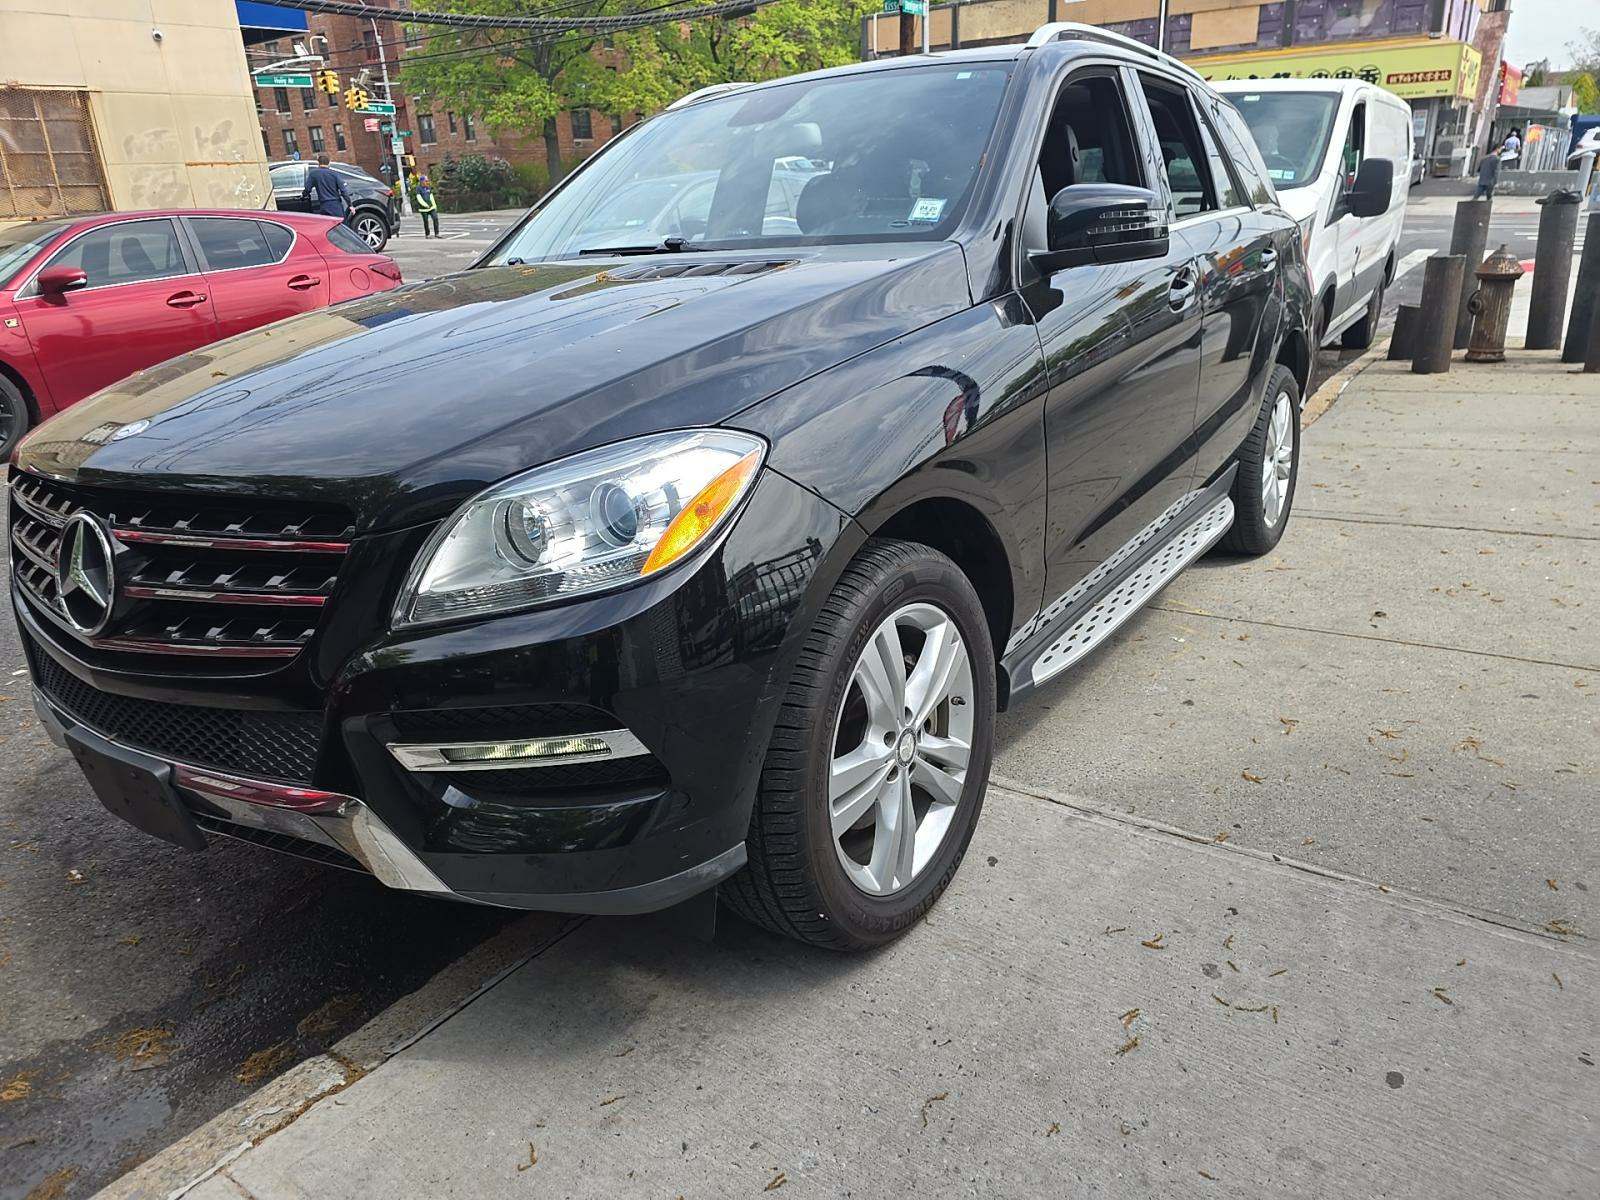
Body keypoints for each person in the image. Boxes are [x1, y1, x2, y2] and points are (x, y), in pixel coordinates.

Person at [301, 153, 351, 221]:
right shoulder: (334, 174)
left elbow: (307, 189)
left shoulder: (314, 174)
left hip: (323, 205)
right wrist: (350, 205)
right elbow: (343, 191)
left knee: (327, 227)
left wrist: (303, 196)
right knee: (340, 227)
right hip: (336, 205)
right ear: (329, 163)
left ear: (318, 163)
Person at [414, 173, 439, 238]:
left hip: (431, 208)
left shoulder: (428, 188)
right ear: (422, 181)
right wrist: (425, 205)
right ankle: (427, 234)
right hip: (423, 209)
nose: (427, 182)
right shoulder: (418, 188)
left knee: (435, 218)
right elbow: (419, 198)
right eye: (426, 181)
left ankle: (437, 233)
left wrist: (434, 205)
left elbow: (431, 197)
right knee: (426, 221)